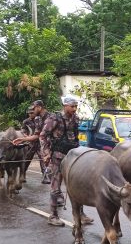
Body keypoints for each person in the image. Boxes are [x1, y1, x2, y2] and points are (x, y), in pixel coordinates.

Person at [39, 96, 93, 226]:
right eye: (72, 106)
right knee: (56, 187)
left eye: (76, 106)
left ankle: (81, 214)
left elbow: (75, 137)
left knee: (76, 185)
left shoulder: (75, 119)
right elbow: (43, 135)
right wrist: (46, 154)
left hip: (72, 156)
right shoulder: (54, 118)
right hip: (57, 157)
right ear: (65, 105)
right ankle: (53, 215)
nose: (74, 109)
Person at [13, 100, 50, 183]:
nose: (30, 114)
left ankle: (45, 176)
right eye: (29, 113)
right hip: (31, 143)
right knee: (27, 159)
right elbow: (23, 130)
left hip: (40, 143)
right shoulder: (27, 121)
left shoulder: (45, 118)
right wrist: (25, 137)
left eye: (32, 112)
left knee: (42, 159)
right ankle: (23, 174)